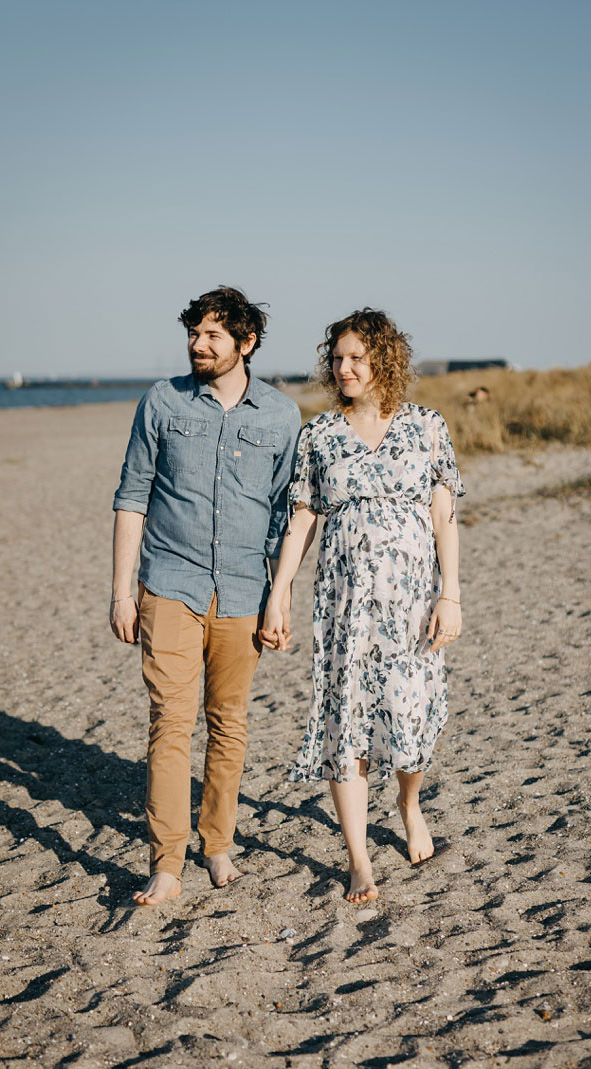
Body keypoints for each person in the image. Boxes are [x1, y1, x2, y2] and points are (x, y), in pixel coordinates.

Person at [263, 308, 464, 904]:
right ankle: (358, 860)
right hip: (343, 605)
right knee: (343, 721)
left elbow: (444, 515)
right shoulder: (320, 434)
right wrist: (280, 594)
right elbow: (302, 519)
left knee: (409, 718)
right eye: (338, 358)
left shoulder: (427, 426)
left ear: (383, 360)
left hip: (411, 604)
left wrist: (449, 594)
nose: (344, 368)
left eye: (357, 357)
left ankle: (408, 802)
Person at [110, 286, 301, 906]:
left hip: (245, 591)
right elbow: (132, 496)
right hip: (168, 585)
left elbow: (284, 515)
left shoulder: (280, 416)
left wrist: (281, 596)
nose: (199, 344)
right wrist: (121, 592)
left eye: (213, 335)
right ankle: (166, 861)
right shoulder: (162, 402)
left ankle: (216, 843)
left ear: (246, 344)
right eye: (194, 333)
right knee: (171, 724)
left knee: (230, 725)